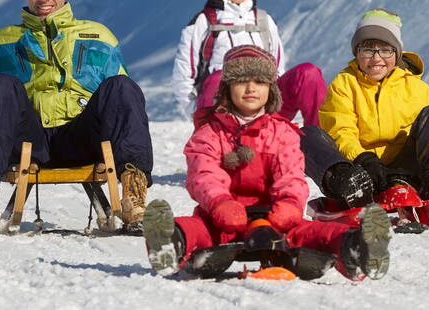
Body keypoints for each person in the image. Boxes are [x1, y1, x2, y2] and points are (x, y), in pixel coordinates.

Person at [144, 45, 391, 281]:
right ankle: (169, 240)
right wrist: (220, 202)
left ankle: (358, 247)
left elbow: (291, 175)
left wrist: (290, 204)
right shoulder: (210, 133)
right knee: (201, 230)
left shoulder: (282, 133)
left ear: (271, 89)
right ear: (227, 88)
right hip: (223, 218)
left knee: (308, 232)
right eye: (242, 81)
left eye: (260, 82)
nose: (251, 89)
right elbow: (203, 173)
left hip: (274, 218)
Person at [0, 0, 153, 237]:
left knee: (122, 87)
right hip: (29, 138)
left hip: (84, 136)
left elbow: (125, 109)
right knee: (0, 85)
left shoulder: (99, 36)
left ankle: (134, 197)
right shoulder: (0, 43)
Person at [300, 8, 429, 210]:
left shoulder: (416, 87)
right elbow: (340, 130)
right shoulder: (344, 84)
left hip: (408, 171)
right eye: (368, 50)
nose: (376, 58)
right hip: (362, 173)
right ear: (357, 53)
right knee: (304, 135)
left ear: (396, 54)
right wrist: (363, 159)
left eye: (385, 50)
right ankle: (349, 185)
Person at [171, 0, 326, 126]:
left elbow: (277, 69)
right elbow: (183, 77)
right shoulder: (204, 22)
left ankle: (321, 141)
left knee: (308, 73)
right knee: (219, 76)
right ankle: (214, 139)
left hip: (265, 105)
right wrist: (199, 114)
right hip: (222, 111)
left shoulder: (263, 20)